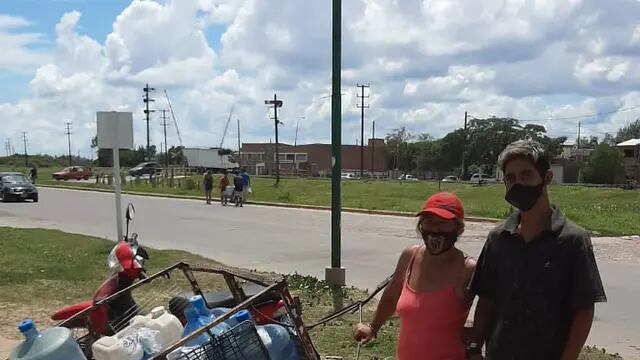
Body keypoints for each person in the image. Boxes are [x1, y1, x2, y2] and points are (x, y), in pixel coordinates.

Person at [467, 140, 607, 360]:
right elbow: (486, 300)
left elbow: (584, 311)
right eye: (510, 178)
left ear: (547, 178)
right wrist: (475, 348)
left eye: (526, 175)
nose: (518, 184)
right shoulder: (499, 238)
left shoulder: (573, 240)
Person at [354, 192, 476, 360]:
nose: (435, 229)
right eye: (429, 222)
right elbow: (391, 296)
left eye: (443, 223)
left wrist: (476, 340)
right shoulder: (410, 256)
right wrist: (373, 327)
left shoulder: (467, 269)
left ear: (459, 228)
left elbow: (490, 310)